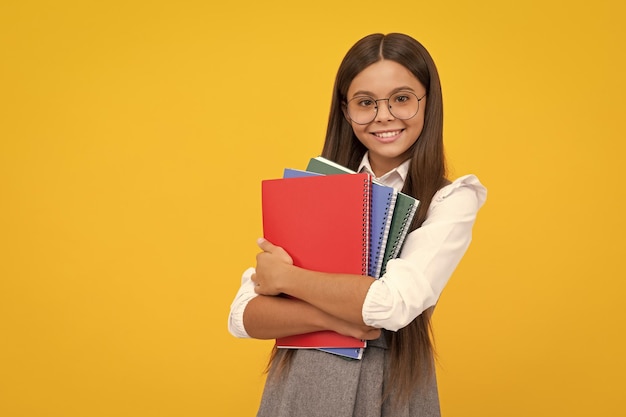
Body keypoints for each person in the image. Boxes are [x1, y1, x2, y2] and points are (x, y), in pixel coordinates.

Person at [228, 32, 487, 417]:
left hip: (389, 389)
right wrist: (332, 316)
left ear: (428, 103)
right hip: (301, 386)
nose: (383, 116)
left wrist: (286, 280)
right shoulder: (314, 189)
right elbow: (242, 316)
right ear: (347, 111)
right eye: (366, 103)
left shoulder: (451, 198)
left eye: (402, 99)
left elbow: (392, 305)